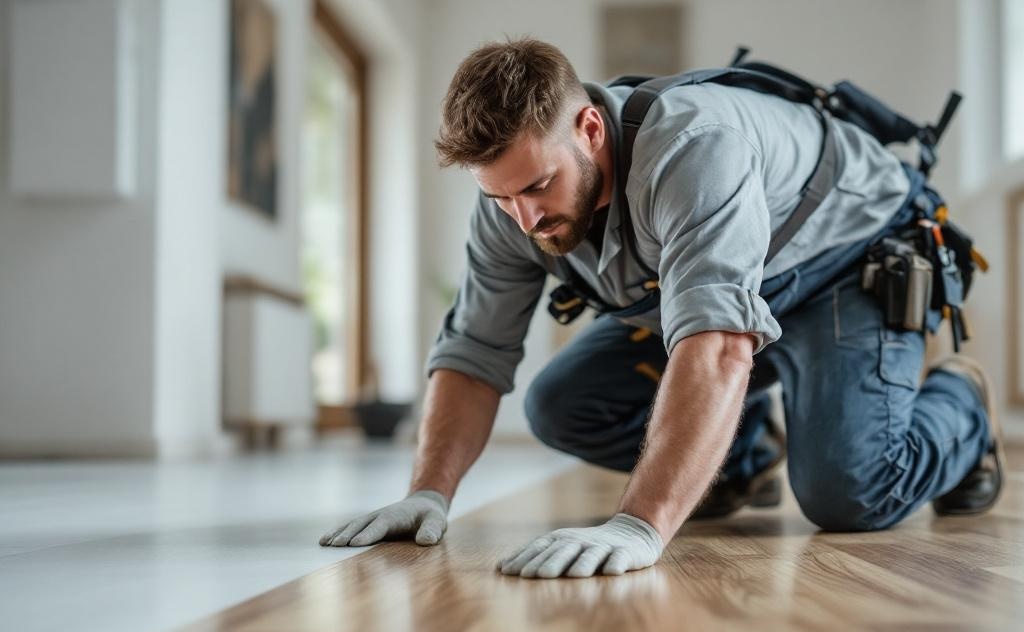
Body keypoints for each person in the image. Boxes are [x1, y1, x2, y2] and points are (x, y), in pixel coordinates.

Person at [320, 38, 1002, 579]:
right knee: (562, 404)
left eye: (537, 186)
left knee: (848, 493)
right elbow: (474, 348)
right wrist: (428, 491)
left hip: (843, 262)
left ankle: (962, 404)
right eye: (501, 197)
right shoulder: (512, 203)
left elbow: (720, 343)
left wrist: (640, 525)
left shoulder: (691, 149)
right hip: (733, 288)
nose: (523, 218)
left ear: (589, 128)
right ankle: (742, 461)